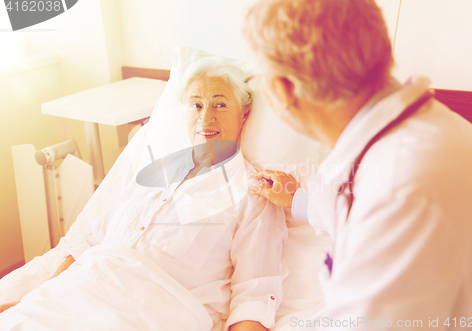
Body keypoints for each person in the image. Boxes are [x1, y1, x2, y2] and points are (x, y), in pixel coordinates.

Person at [244, 0, 472, 329]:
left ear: (282, 90)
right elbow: (358, 200)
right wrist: (298, 200)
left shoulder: (404, 193)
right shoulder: (419, 133)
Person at [0, 57, 287, 331]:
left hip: (146, 312)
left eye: (220, 104)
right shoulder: (155, 171)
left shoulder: (254, 193)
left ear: (243, 114)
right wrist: (35, 299)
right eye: (196, 105)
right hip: (73, 293)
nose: (205, 117)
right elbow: (90, 240)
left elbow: (254, 295)